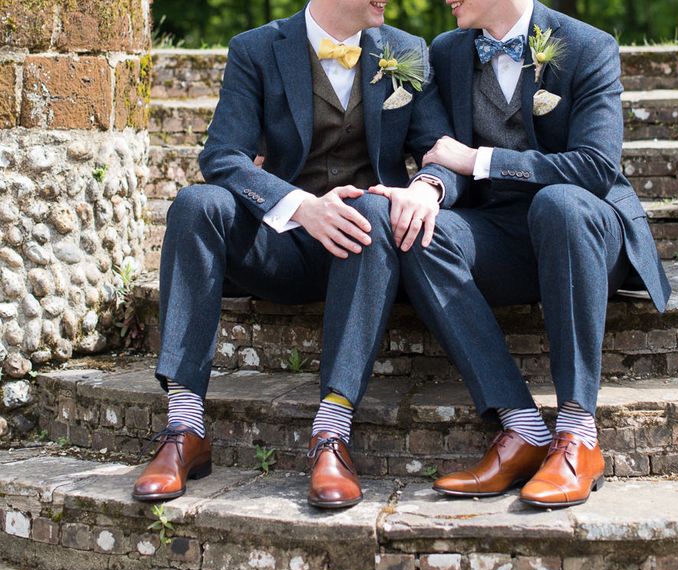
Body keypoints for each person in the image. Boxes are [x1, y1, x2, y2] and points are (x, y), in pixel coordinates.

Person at [132, 0, 462, 508]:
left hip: (365, 254)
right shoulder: (257, 48)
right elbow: (222, 155)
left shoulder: (405, 50)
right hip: (281, 245)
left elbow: (440, 149)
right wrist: (302, 207)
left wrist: (426, 188)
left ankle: (332, 433)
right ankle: (184, 426)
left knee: (373, 207)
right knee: (196, 204)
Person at [396, 0, 671, 508]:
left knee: (558, 204)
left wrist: (482, 158)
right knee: (420, 231)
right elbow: (438, 150)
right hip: (500, 231)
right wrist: (429, 188)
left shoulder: (588, 46)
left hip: (584, 230)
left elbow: (595, 167)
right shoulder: (448, 52)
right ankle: (522, 429)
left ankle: (578, 434)